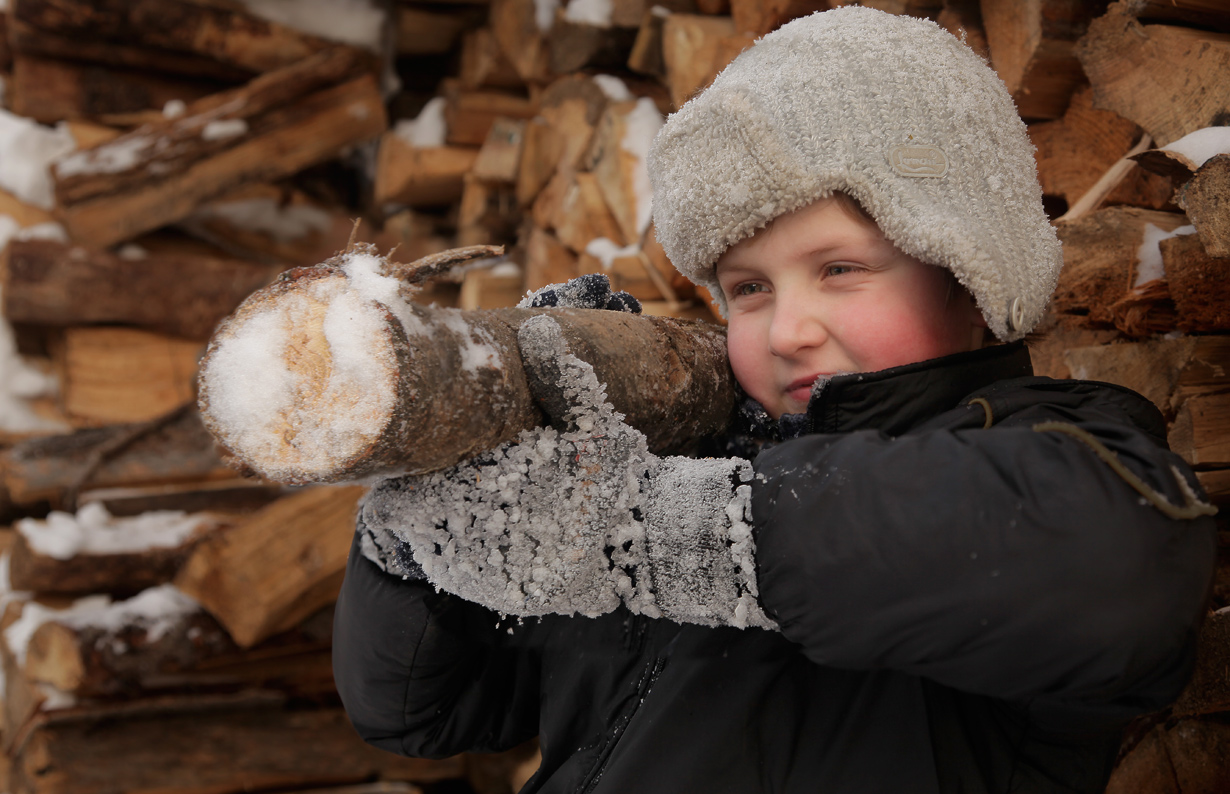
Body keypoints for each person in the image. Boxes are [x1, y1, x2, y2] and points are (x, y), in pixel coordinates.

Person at [332, 7, 1217, 793]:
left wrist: (661, 533)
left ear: (971, 270)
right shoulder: (675, 471)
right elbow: (424, 712)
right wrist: (419, 530)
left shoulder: (1060, 448)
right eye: (749, 288)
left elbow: (1110, 572)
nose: (789, 327)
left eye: (840, 270)